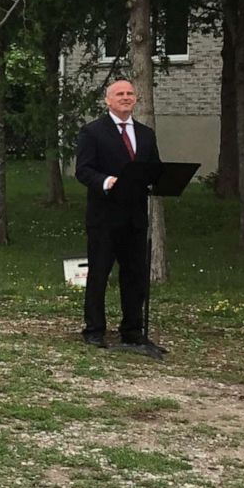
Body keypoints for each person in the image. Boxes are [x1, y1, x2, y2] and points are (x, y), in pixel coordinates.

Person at [74, 79, 164, 358]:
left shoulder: (146, 134)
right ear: (108, 101)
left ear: (136, 99)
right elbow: (84, 170)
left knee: (135, 275)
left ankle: (133, 329)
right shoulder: (93, 132)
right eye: (119, 94)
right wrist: (105, 181)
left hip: (135, 217)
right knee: (99, 273)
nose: (125, 98)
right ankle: (94, 329)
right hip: (104, 216)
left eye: (130, 94)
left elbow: (154, 169)